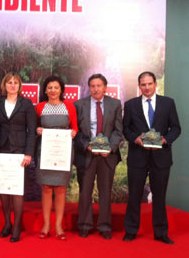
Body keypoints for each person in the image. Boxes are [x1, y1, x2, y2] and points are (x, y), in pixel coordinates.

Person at [122, 71, 181, 244]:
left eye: (149, 84)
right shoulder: (131, 104)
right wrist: (135, 138)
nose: (146, 87)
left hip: (161, 157)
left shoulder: (167, 103)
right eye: (143, 84)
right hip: (137, 157)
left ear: (155, 84)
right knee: (134, 195)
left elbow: (176, 128)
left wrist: (165, 140)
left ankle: (161, 232)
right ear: (139, 86)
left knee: (160, 196)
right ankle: (131, 230)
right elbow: (126, 129)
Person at [74, 74, 123, 240]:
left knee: (105, 192)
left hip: (107, 155)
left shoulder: (115, 104)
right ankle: (84, 225)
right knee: (85, 192)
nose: (96, 88)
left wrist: (110, 147)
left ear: (105, 87)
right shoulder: (79, 105)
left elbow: (118, 130)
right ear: (89, 88)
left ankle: (105, 226)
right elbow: (76, 131)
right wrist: (86, 146)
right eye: (92, 86)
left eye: (99, 85)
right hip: (87, 154)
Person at [0, 73, 36, 243]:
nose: (12, 85)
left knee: (17, 190)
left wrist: (29, 153)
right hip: (1, 150)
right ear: (4, 85)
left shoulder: (27, 104)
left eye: (15, 82)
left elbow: (32, 130)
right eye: (9, 82)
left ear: (19, 85)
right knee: (3, 189)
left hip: (19, 151)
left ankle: (17, 226)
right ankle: (7, 224)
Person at [35, 75, 78, 241]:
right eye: (50, 87)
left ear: (61, 90)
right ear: (45, 90)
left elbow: (75, 128)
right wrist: (38, 130)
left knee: (60, 188)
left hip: (63, 151)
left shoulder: (69, 107)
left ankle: (59, 226)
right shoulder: (39, 107)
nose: (53, 90)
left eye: (56, 87)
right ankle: (46, 225)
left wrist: (74, 133)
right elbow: (33, 127)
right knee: (46, 188)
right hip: (45, 151)